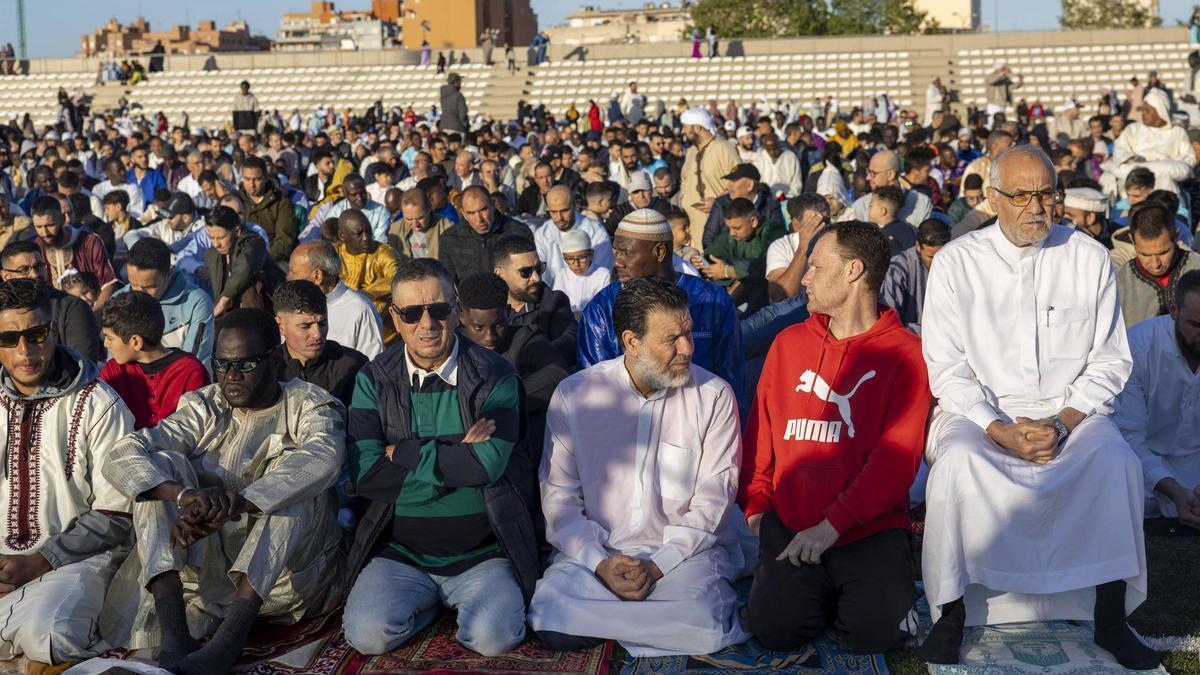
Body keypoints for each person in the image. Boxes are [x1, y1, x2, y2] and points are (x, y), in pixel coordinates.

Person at [917, 146, 1158, 670]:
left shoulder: (1088, 257)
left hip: (1070, 413)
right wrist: (998, 429)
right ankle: (952, 615)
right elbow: (947, 368)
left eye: (1046, 194)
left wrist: (1062, 423)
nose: (1036, 207)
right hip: (980, 415)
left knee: (1116, 462)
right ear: (993, 199)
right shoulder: (957, 262)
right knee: (958, 464)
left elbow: (1110, 361)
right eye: (1021, 195)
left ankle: (1110, 619)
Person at [101, 308, 347, 674]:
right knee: (160, 465)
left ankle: (231, 638)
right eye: (222, 365)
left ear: (275, 359)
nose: (231, 376)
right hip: (213, 578)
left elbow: (326, 455)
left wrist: (239, 503)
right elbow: (122, 453)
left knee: (295, 485)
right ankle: (174, 633)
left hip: (290, 583)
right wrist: (183, 497)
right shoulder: (207, 405)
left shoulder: (309, 405)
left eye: (245, 365)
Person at [530, 275, 749, 655]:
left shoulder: (713, 396)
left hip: (683, 554)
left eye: (688, 334)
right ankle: (648, 625)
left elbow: (714, 502)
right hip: (599, 550)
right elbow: (559, 497)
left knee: (703, 617)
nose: (687, 348)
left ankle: (608, 622)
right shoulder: (575, 395)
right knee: (551, 613)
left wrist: (657, 565)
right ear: (632, 342)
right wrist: (600, 563)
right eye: (672, 339)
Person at [741, 221, 929, 654]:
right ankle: (810, 593)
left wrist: (832, 527)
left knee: (877, 635)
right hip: (791, 521)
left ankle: (861, 594)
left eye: (816, 267)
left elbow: (895, 461)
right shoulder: (789, 343)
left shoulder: (906, 354)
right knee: (775, 631)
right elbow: (761, 434)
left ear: (852, 271)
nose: (804, 278)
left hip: (867, 528)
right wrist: (757, 510)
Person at [341, 258, 539, 657]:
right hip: (402, 553)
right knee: (367, 636)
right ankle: (431, 604)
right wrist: (458, 454)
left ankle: (441, 606)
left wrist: (407, 452)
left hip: (484, 553)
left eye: (439, 309)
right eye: (412, 313)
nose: (427, 324)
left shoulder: (497, 375)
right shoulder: (373, 379)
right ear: (395, 318)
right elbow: (367, 475)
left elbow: (485, 466)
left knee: (494, 639)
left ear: (457, 309)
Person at [0, 279, 133, 666]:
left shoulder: (99, 404)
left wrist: (41, 560)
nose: (25, 351)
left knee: (50, 634)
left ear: (54, 331)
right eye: (9, 338)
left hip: (74, 562)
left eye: (36, 335)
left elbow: (117, 513)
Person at [579, 209, 747, 414]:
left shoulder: (714, 302)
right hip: (625, 424)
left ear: (659, 252)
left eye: (626, 252)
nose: (617, 262)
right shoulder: (600, 309)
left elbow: (732, 382)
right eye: (616, 252)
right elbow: (594, 387)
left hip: (700, 422)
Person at [1113, 270, 1200, 528]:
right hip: (1144, 465)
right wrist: (1173, 489)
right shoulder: (1138, 346)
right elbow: (1130, 435)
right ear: (1173, 311)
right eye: (1196, 325)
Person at [457, 271, 569, 452]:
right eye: (478, 327)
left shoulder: (524, 338)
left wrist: (501, 403)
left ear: (508, 312)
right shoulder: (452, 344)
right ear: (461, 316)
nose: (490, 337)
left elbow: (557, 373)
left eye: (499, 325)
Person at [100, 291, 209, 429]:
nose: (105, 344)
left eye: (109, 338)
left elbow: (195, 428)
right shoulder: (113, 370)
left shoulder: (191, 372)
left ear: (136, 342)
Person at [271, 279, 368, 408]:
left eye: (322, 323)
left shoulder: (354, 365)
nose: (317, 334)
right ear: (280, 326)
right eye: (306, 326)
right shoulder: (267, 369)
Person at [0, 241, 102, 362]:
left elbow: (83, 364)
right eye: (24, 270)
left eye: (39, 266)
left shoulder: (73, 307)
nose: (35, 274)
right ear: (6, 276)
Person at [118, 237, 215, 363]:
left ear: (169, 275)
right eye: (133, 284)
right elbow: (113, 361)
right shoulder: (120, 300)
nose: (139, 293)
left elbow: (194, 366)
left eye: (149, 287)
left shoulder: (197, 304)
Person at [288, 240, 384, 359]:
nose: (289, 277)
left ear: (317, 275)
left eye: (294, 272)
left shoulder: (360, 310)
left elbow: (372, 364)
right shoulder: (291, 304)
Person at [493, 235, 578, 365]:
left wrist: (533, 355)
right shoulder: (486, 305)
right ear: (500, 274)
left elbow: (570, 339)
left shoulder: (554, 302)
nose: (536, 278)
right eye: (526, 272)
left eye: (539, 268)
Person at [1115, 202, 1200, 328]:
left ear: (1176, 236)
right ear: (1132, 240)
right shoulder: (1118, 283)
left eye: (1163, 252)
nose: (1155, 264)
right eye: (1145, 254)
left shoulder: (1197, 267)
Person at [699, 197, 786, 316]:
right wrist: (700, 260)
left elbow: (765, 266)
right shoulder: (732, 235)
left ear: (753, 221)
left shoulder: (773, 230)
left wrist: (728, 271)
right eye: (729, 228)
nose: (732, 233)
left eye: (736, 228)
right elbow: (713, 253)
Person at [30, 195, 118, 309]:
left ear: (61, 219)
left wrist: (93, 315)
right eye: (39, 227)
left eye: (50, 225)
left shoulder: (89, 241)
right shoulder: (34, 248)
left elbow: (109, 284)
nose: (44, 232)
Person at [1107, 88, 1195, 196]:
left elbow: (1188, 162)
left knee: (1171, 175)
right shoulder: (1132, 129)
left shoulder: (1177, 132)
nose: (1143, 113)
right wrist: (1133, 160)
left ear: (1160, 111)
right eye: (1142, 110)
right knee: (1120, 169)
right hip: (1136, 179)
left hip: (1167, 181)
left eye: (1147, 110)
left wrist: (1160, 165)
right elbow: (1120, 154)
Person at [439, 185, 533, 282]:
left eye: (483, 210)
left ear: (492, 206)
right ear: (463, 213)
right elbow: (447, 283)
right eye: (471, 213)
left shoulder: (519, 233)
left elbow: (530, 274)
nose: (479, 219)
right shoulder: (449, 239)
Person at [205, 204, 285, 318]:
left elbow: (244, 268)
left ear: (237, 230)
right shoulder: (213, 254)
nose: (216, 244)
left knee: (249, 285)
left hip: (267, 309)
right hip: (229, 314)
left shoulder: (254, 244)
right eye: (211, 238)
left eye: (220, 238)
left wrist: (223, 302)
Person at [336, 208, 402, 341]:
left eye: (368, 231)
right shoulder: (334, 255)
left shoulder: (385, 253)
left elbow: (397, 279)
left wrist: (366, 293)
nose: (366, 237)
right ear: (342, 236)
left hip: (382, 333)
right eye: (359, 234)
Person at [679, 108, 739, 252]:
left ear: (698, 128)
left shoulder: (724, 147)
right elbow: (684, 181)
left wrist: (718, 202)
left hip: (719, 225)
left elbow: (738, 182)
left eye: (685, 127)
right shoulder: (691, 152)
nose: (682, 131)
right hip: (693, 228)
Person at [881, 218, 949, 335]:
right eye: (931, 257)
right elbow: (888, 319)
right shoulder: (898, 268)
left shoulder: (953, 263)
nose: (937, 262)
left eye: (942, 256)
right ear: (918, 245)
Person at [535, 185, 613, 287]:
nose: (559, 217)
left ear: (574, 206)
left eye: (564, 211)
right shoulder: (542, 234)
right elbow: (542, 274)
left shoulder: (596, 232)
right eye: (553, 212)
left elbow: (602, 274)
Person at [701, 163, 784, 249]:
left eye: (733, 181)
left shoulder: (771, 206)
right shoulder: (721, 204)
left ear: (749, 185)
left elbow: (777, 239)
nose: (728, 186)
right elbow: (708, 239)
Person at [765, 194, 829, 303]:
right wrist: (803, 248)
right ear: (796, 225)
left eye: (827, 222)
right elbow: (780, 297)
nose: (823, 228)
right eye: (814, 224)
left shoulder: (836, 242)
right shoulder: (781, 247)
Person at [844, 150, 932, 228]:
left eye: (873, 173)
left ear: (890, 174)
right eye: (868, 172)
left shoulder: (921, 202)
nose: (868, 177)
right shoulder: (861, 206)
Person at [240, 155, 298, 265]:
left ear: (266, 178)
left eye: (257, 179)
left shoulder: (281, 203)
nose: (252, 185)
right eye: (247, 179)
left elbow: (284, 240)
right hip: (240, 261)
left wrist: (264, 262)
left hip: (272, 261)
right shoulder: (236, 200)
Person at [552, 229, 611, 316]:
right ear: (564, 257)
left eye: (582, 257)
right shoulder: (561, 276)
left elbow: (605, 306)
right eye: (570, 259)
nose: (576, 264)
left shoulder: (603, 275)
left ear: (591, 254)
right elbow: (557, 306)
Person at [389, 187, 455, 260]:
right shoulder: (395, 230)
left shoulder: (446, 227)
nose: (415, 225)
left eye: (420, 218)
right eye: (409, 219)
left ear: (429, 207)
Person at [327, 173, 391, 245]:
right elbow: (330, 240)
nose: (359, 198)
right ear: (345, 194)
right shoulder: (335, 212)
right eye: (354, 195)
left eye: (362, 193)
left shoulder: (381, 212)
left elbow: (379, 243)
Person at [867, 185, 918, 257]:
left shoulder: (902, 229)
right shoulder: (870, 230)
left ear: (882, 211)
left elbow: (912, 255)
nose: (868, 208)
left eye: (871, 205)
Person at [754, 133, 803, 200]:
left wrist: (790, 195)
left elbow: (796, 181)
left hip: (788, 196)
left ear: (779, 145)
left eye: (774, 149)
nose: (772, 152)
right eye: (769, 150)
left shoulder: (791, 157)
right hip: (767, 197)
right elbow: (757, 181)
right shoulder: (759, 159)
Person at [984, 61, 1022, 127]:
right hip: (993, 103)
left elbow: (1014, 86)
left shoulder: (1005, 78)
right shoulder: (990, 76)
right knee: (991, 122)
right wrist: (1002, 74)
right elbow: (992, 81)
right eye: (1003, 68)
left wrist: (1021, 79)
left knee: (1001, 122)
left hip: (1002, 103)